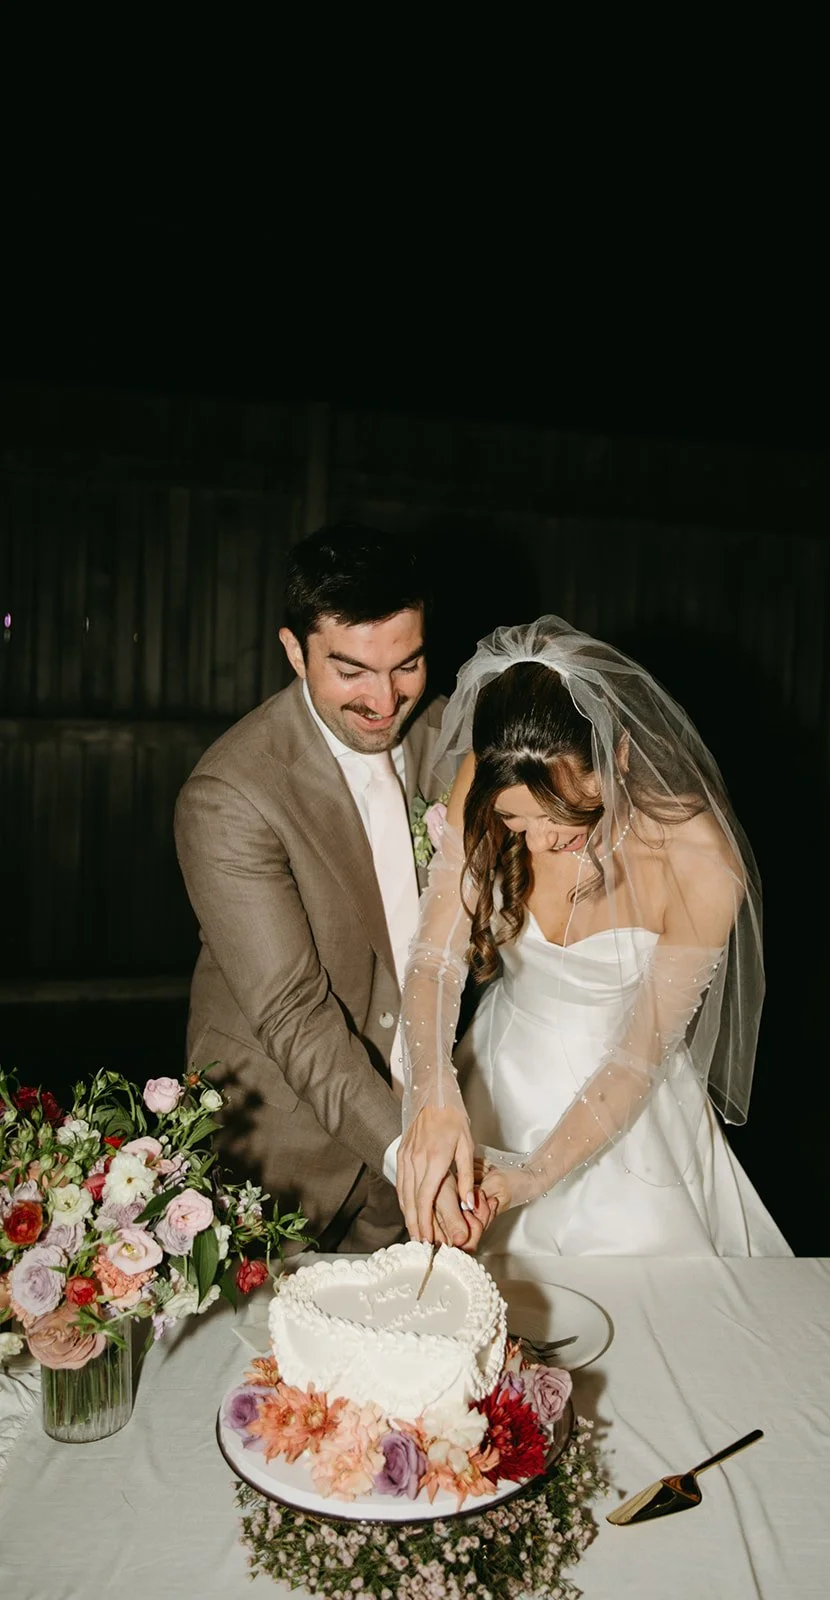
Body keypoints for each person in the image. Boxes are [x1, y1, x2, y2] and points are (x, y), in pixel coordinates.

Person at [396, 616, 792, 1256]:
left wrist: (530, 1176)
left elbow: (639, 1054)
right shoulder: (487, 776)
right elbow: (434, 960)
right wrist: (434, 1094)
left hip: (627, 1114)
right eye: (514, 821)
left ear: (620, 755)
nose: (538, 841)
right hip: (495, 1077)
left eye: (563, 816)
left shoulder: (700, 861)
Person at [174, 525, 488, 1252]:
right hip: (276, 1152)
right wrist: (411, 1154)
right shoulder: (230, 794)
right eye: (351, 671)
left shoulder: (448, 737)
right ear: (295, 651)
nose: (385, 699)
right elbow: (293, 1013)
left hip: (434, 1130)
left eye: (407, 665)